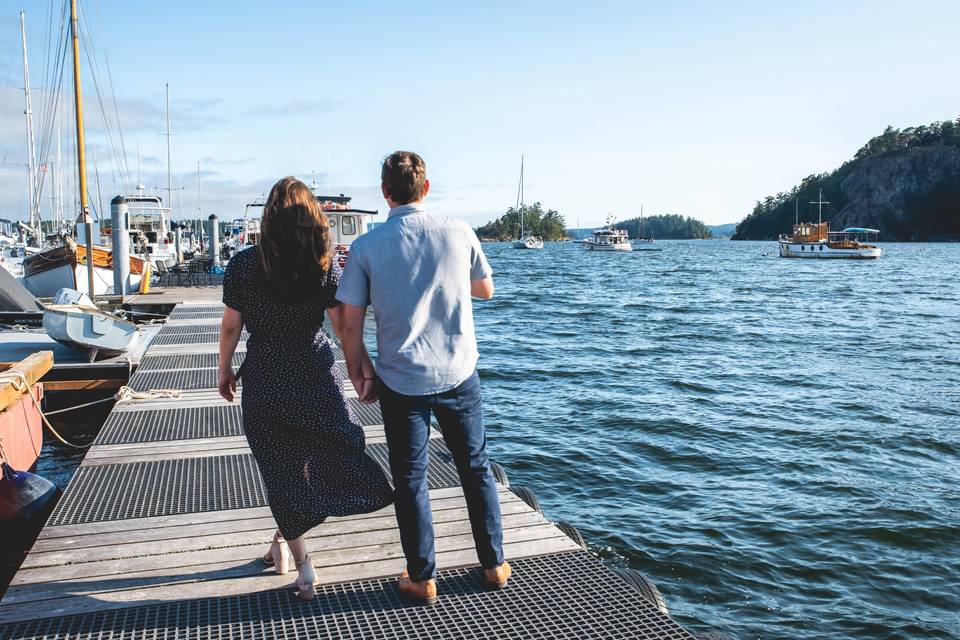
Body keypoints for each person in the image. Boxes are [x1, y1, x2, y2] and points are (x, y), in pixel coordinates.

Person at [336, 151, 508, 606]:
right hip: (458, 372)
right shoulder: (459, 230)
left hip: (401, 379)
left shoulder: (367, 247)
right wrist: (446, 277)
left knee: (411, 478)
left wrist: (358, 370)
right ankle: (493, 564)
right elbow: (486, 288)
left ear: (385, 192)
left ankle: (423, 577)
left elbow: (350, 322)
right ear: (426, 189)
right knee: (475, 467)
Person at [218, 176, 393, 601]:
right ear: (312, 219)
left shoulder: (243, 264)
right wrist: (359, 369)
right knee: (340, 447)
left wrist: (224, 370)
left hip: (264, 381)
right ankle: (289, 541)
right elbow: (341, 326)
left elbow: (230, 326)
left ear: (270, 219)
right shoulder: (323, 264)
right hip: (315, 377)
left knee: (281, 472)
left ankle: (301, 563)